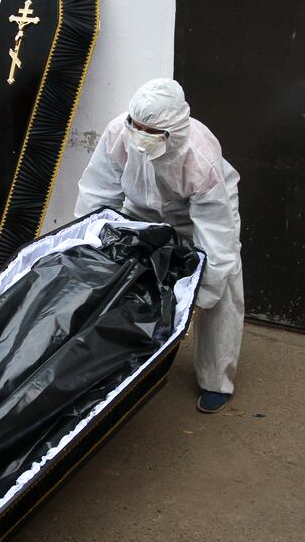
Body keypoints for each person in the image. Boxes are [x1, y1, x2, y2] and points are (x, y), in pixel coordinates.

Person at [75, 78, 245, 414]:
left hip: (195, 215)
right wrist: (92, 242)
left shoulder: (200, 158)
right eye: (136, 125)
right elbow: (98, 192)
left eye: (150, 131)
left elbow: (216, 236)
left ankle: (216, 379)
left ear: (173, 131)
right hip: (140, 210)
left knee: (224, 284)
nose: (140, 134)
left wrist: (203, 295)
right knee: (121, 275)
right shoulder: (118, 132)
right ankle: (119, 367)